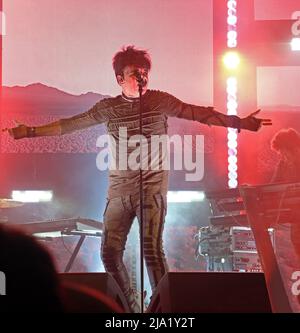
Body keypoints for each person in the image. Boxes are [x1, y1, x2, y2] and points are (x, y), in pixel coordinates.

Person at [4, 45, 272, 312]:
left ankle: (164, 309)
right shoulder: (108, 108)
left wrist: (240, 123)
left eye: (145, 72)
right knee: (109, 253)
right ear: (120, 78)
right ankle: (129, 307)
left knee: (152, 252)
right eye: (135, 73)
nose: (142, 77)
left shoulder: (159, 101)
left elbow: (197, 113)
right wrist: (28, 131)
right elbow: (70, 125)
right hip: (119, 192)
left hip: (152, 190)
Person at [271, 128, 300, 263]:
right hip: (295, 216)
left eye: (284, 152)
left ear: (294, 149)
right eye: (281, 153)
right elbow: (272, 187)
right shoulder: (282, 165)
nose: (282, 156)